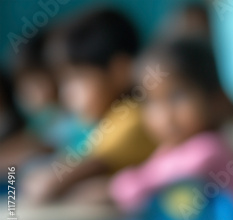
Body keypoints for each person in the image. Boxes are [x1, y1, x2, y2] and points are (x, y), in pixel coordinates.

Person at [110, 37, 233, 220]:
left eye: (176, 96)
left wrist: (116, 186)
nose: (164, 114)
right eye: (151, 102)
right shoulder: (171, 150)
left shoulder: (211, 150)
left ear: (215, 98)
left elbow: (137, 187)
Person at [22, 8, 156, 203]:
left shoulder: (133, 120)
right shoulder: (105, 123)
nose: (66, 94)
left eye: (77, 78)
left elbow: (48, 185)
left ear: (120, 70)